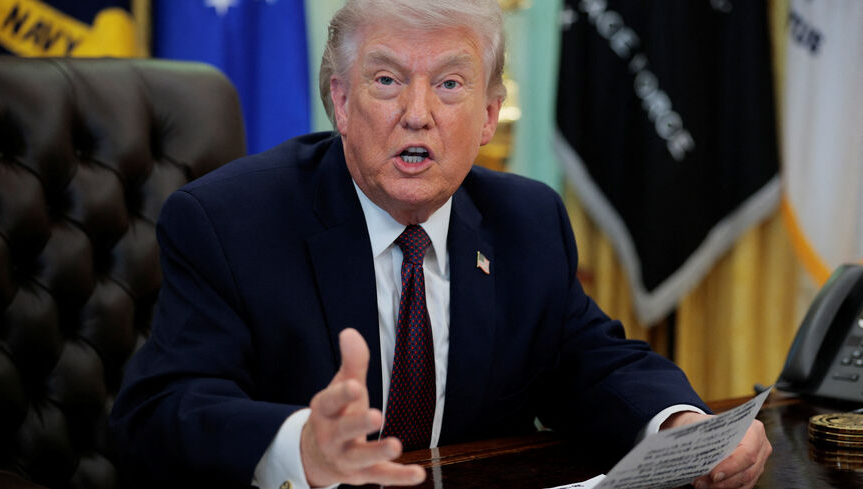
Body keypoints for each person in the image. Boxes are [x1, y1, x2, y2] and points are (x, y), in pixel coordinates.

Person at [110, 1, 771, 488]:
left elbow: (596, 363)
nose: (418, 113)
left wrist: (682, 427)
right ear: (339, 101)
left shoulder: (527, 220)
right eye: (387, 80)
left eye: (450, 84)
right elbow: (159, 412)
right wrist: (299, 445)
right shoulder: (230, 221)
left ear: (488, 114)